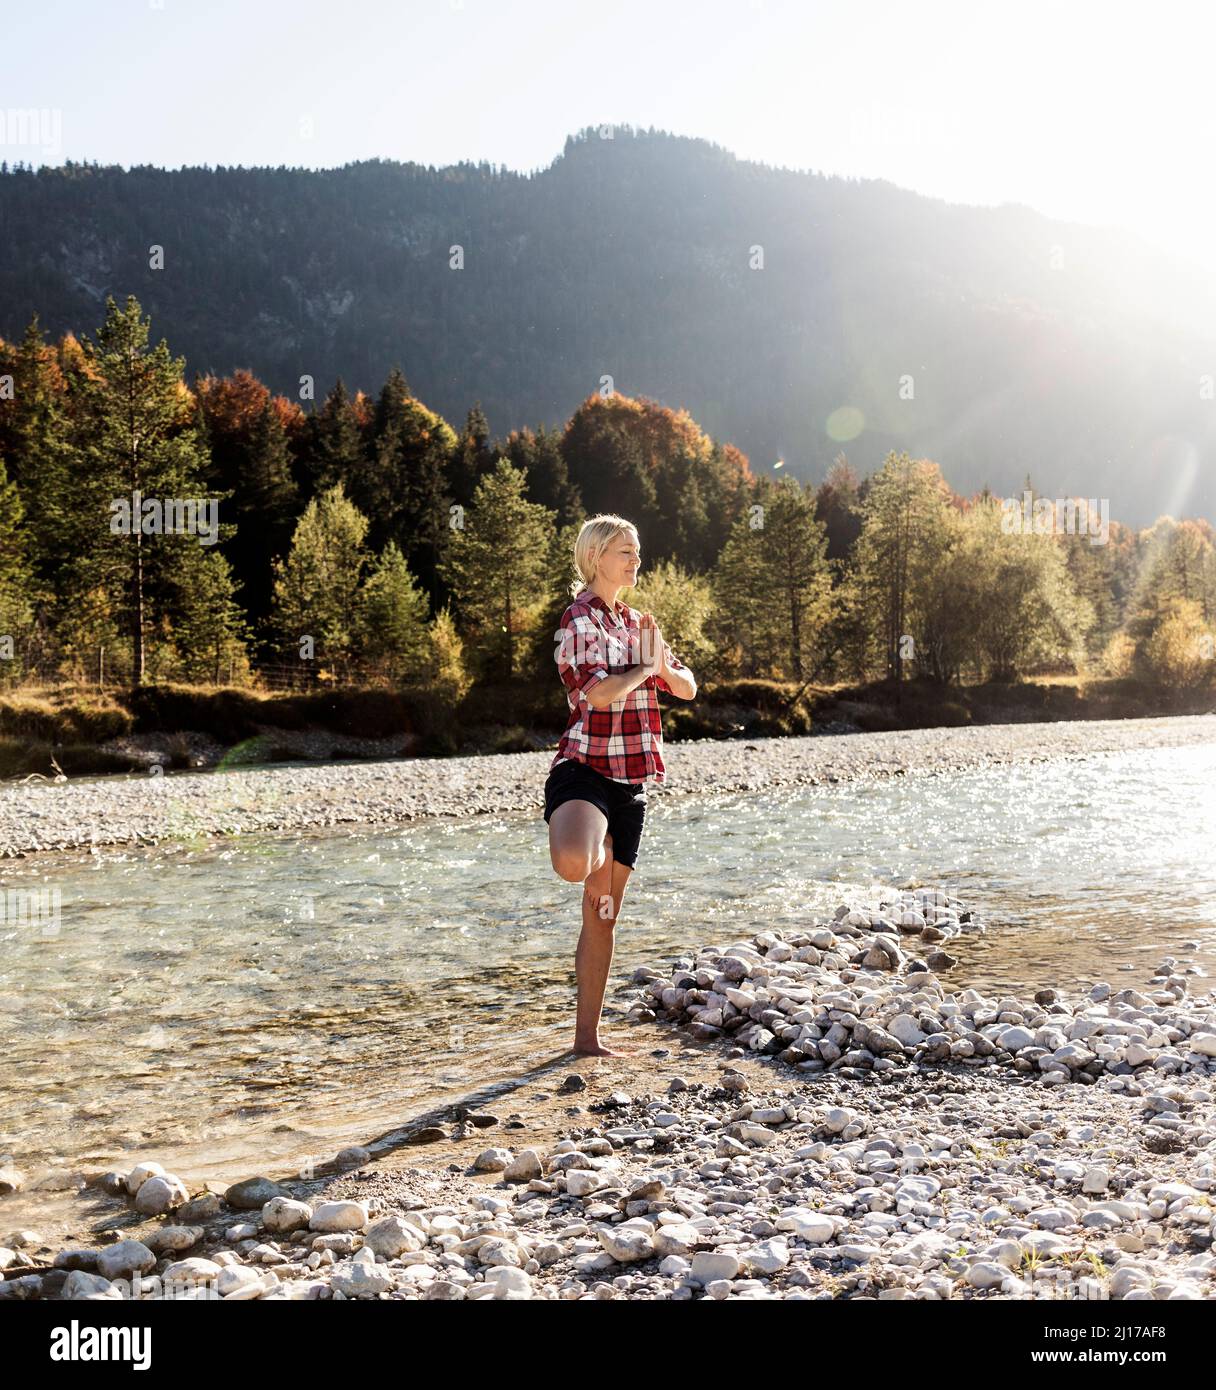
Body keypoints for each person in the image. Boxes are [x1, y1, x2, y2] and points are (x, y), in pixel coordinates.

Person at [543, 514, 697, 1056]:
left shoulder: (637, 623)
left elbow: (687, 686)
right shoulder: (576, 620)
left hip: (631, 785)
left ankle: (587, 1040)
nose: (636, 560)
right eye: (625, 552)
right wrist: (641, 669)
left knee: (602, 919)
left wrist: (661, 666)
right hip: (585, 771)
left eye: (637, 551)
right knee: (571, 865)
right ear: (596, 557)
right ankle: (594, 850)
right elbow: (598, 695)